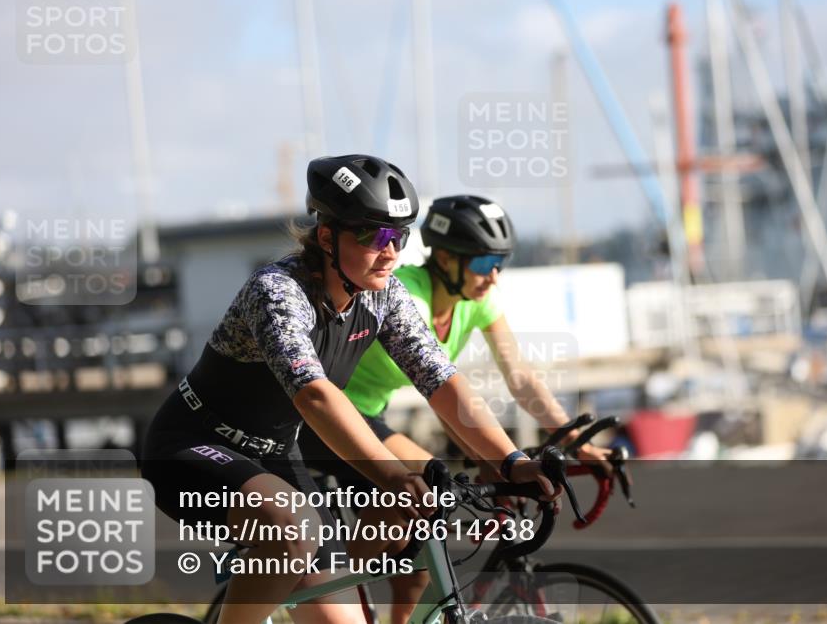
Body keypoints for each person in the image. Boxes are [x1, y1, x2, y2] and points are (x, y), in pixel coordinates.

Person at [141, 156, 557, 624]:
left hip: (276, 454)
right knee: (291, 526)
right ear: (326, 237)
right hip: (194, 444)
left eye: (399, 237)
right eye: (375, 236)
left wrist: (511, 461)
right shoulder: (277, 292)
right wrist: (395, 477)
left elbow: (441, 380)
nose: (390, 251)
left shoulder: (383, 296)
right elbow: (315, 395)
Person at [299, 194, 611, 624]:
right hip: (325, 417)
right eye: (483, 264)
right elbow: (440, 393)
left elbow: (520, 377)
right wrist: (496, 461)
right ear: (445, 258)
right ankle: (318, 585)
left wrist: (572, 439)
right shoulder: (410, 294)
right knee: (424, 489)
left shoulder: (476, 301)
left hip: (371, 417)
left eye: (501, 264)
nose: (493, 277)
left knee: (417, 566)